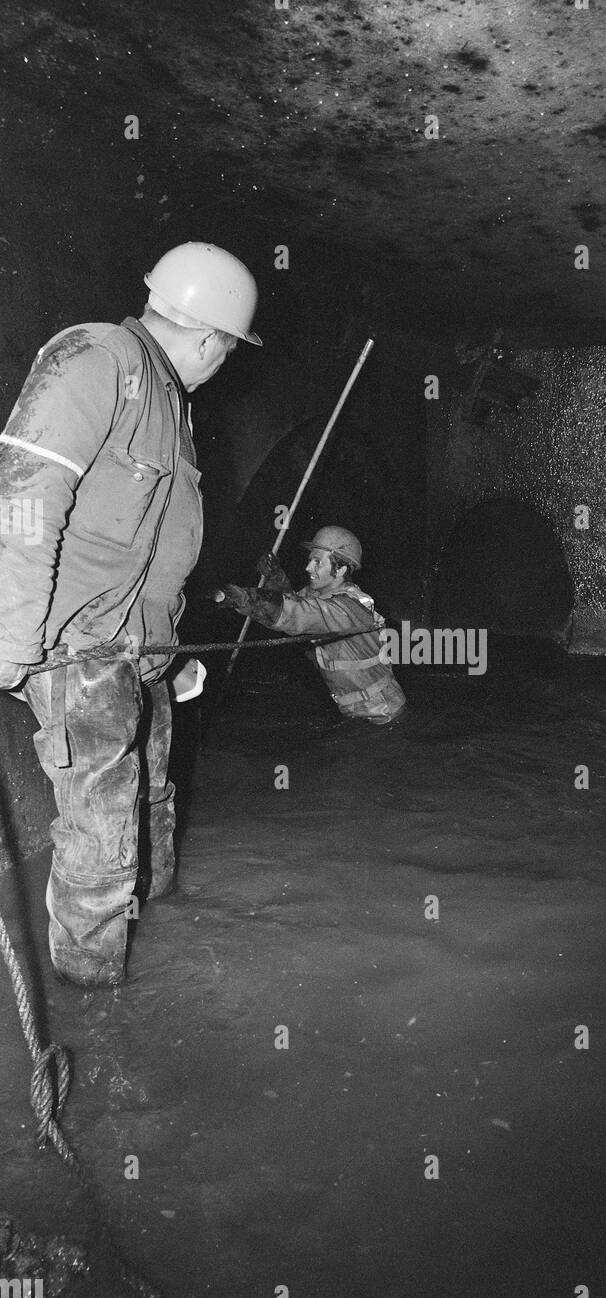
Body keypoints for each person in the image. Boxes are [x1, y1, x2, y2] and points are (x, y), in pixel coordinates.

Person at [0, 242, 261, 987]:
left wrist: (169, 651)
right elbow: (23, 497)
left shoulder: (170, 403)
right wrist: (11, 635)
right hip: (81, 654)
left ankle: (165, 933)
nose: (225, 361)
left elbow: (147, 548)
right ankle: (97, 996)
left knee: (152, 800)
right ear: (213, 338)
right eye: (230, 349)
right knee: (102, 832)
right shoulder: (97, 359)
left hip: (139, 653)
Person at [212, 526, 407, 725]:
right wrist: (274, 577)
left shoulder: (348, 607)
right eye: (310, 560)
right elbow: (295, 602)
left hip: (382, 713)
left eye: (317, 562)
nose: (308, 568)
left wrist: (246, 599)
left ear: (340, 569)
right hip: (356, 710)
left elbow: (297, 614)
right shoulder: (320, 595)